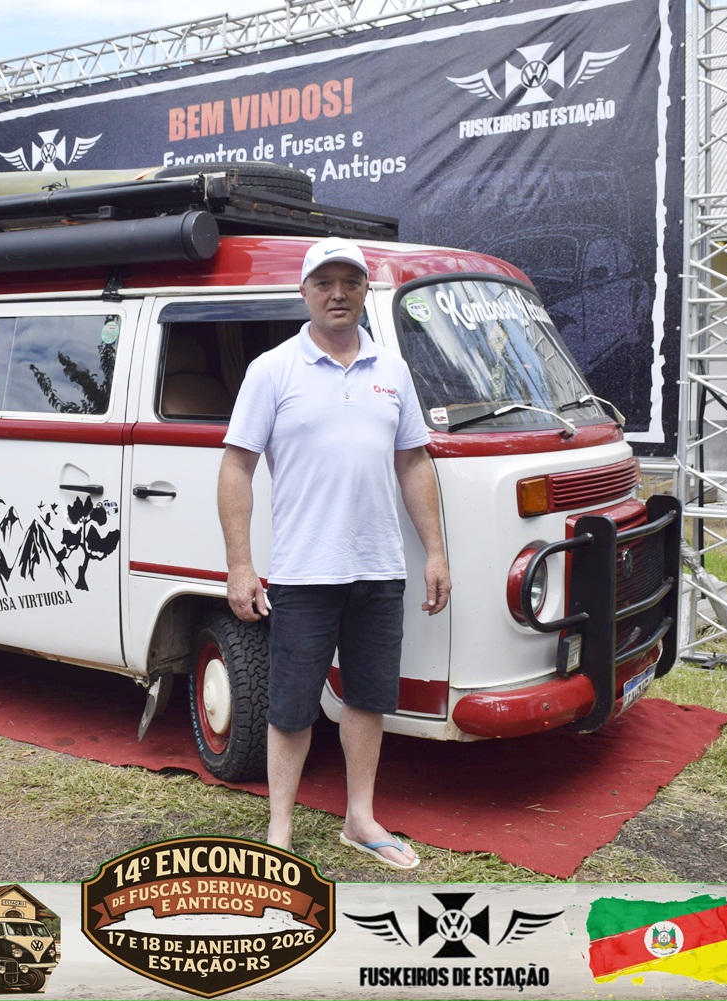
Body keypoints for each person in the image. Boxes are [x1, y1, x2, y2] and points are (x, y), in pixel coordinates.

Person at [217, 236, 451, 870]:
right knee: (291, 705)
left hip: (380, 566)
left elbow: (413, 461)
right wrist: (241, 565)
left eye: (350, 282)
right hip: (304, 569)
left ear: (366, 290)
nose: (338, 294)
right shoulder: (272, 370)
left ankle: (359, 819)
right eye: (324, 283)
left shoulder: (391, 371)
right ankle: (280, 830)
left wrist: (435, 552)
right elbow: (236, 467)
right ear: (304, 292)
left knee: (368, 697)